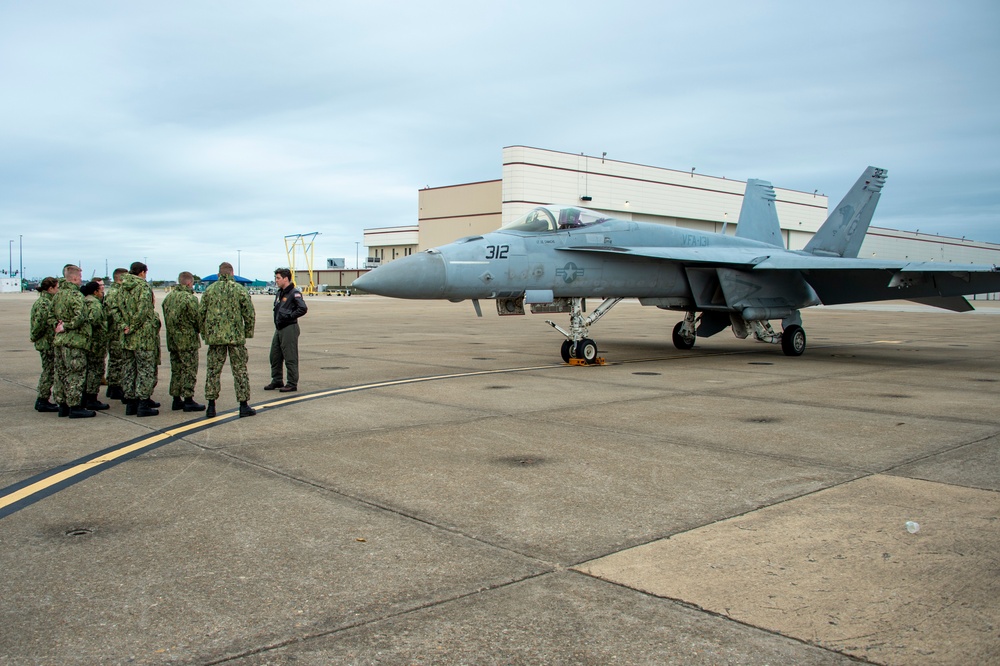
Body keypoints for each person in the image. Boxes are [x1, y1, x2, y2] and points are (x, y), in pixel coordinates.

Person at [199, 262, 256, 418]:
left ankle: (211, 406)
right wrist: (247, 332)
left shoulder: (209, 291)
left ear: (219, 274)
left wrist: (205, 334)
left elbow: (201, 314)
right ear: (232, 273)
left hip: (215, 339)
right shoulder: (239, 290)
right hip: (235, 338)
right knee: (240, 372)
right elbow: (249, 313)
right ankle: (243, 405)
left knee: (213, 372)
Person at [51, 264, 95, 418]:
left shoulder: (57, 295)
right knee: (75, 374)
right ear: (75, 278)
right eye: (80, 277)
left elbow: (50, 316)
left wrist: (57, 326)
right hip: (74, 341)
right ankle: (75, 406)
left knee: (61, 374)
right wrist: (67, 326)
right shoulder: (76, 296)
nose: (81, 280)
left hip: (60, 340)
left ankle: (62, 405)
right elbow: (81, 317)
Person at [118, 262, 159, 417]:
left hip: (127, 337)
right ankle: (143, 403)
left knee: (129, 370)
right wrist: (133, 326)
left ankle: (130, 404)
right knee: (145, 370)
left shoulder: (122, 287)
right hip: (142, 336)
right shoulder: (143, 287)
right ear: (142, 272)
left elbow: (115, 309)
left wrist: (124, 326)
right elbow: (143, 310)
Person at [162, 271, 205, 412]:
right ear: (189, 283)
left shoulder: (169, 298)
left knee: (176, 370)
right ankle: (188, 399)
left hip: (172, 339)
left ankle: (176, 398)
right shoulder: (190, 299)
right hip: (187, 340)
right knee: (189, 369)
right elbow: (196, 319)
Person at [264, 267, 307, 393]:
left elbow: (303, 308)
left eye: (278, 278)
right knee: (274, 355)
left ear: (286, 279)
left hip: (289, 327)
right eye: (275, 278)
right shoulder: (280, 293)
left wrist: (289, 316)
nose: (276, 280)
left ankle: (292, 383)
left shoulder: (294, 293)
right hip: (279, 328)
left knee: (290, 356)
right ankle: (277, 379)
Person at [29, 277, 60, 412]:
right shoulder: (45, 303)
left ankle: (43, 398)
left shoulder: (44, 301)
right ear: (50, 288)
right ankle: (42, 399)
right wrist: (34, 336)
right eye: (57, 288)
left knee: (49, 370)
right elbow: (39, 324)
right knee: (49, 371)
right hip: (47, 342)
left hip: (46, 341)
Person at [80, 280, 110, 411]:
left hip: (87, 342)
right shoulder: (95, 304)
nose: (102, 293)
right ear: (95, 291)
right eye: (100, 290)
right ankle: (91, 398)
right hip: (96, 342)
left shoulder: (83, 301)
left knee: (87, 370)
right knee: (95, 370)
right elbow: (95, 321)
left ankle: (84, 396)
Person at [103, 268, 128, 401]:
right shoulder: (116, 293)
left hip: (113, 330)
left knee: (115, 360)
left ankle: (113, 386)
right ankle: (116, 386)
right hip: (116, 331)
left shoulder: (112, 292)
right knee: (118, 360)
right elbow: (113, 313)